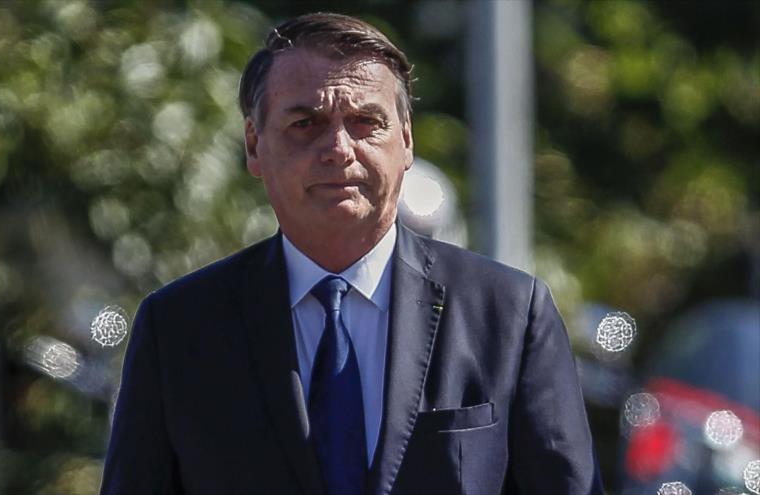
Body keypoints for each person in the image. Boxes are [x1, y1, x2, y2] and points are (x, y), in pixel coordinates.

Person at [100, 12, 603, 495]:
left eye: (366, 121)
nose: (339, 148)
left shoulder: (509, 315)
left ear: (406, 140)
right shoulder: (179, 329)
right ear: (254, 145)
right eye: (305, 123)